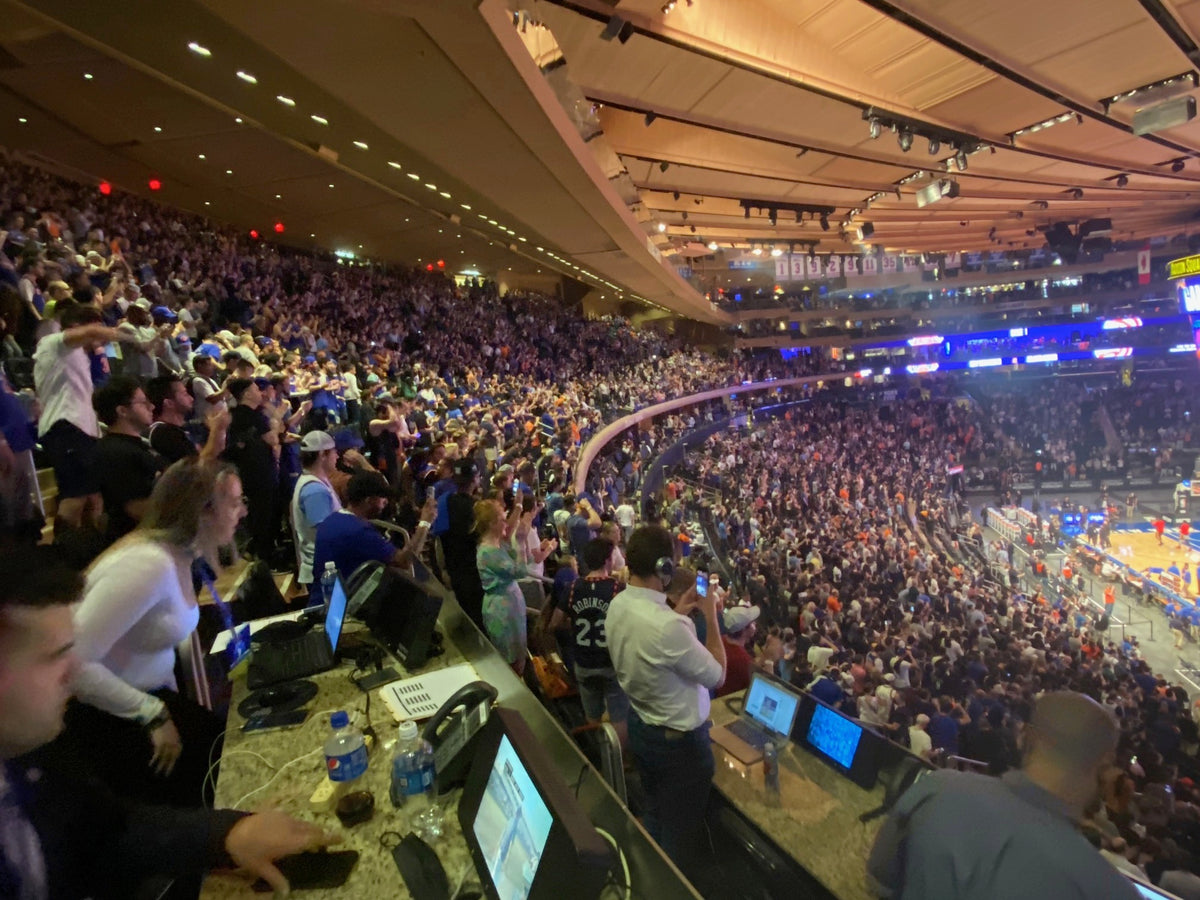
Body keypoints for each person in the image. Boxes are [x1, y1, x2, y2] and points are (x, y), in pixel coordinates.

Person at [0, 546, 338, 897]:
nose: (73, 672)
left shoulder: (35, 755)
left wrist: (226, 835)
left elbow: (109, 831)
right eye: (54, 657)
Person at [29, 459, 246, 809]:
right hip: (113, 720)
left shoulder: (181, 554)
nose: (242, 512)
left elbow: (154, 648)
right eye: (234, 502)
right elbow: (72, 663)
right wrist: (152, 713)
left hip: (148, 701)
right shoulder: (147, 565)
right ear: (202, 510)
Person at [867, 691, 1140, 900]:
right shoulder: (1110, 889)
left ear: (1023, 738)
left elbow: (878, 882)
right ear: (1106, 767)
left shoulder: (936, 787)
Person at [605, 525, 726, 873]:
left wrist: (680, 611)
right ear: (665, 569)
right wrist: (710, 616)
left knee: (656, 813)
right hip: (680, 750)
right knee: (679, 833)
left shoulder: (619, 604)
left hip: (643, 728)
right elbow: (717, 672)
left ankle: (648, 872)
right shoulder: (669, 628)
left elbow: (655, 645)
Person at [33, 305, 142, 535]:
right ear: (74, 327)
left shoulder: (79, 356)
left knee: (94, 497)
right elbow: (89, 334)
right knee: (76, 497)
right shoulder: (53, 344)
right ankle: (65, 552)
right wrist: (129, 338)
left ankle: (88, 548)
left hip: (82, 430)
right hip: (65, 427)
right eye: (96, 327)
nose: (101, 336)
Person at [312, 470, 433, 591]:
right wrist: (425, 523)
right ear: (368, 500)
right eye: (382, 497)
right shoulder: (358, 531)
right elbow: (405, 561)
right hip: (342, 605)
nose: (385, 502)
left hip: (326, 601)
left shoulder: (332, 520)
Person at [475, 498, 552, 676]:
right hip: (502, 610)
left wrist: (533, 546)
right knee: (511, 660)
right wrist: (521, 538)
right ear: (492, 523)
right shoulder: (488, 552)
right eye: (503, 519)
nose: (506, 523)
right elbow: (519, 571)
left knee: (519, 655)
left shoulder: (498, 545)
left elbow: (524, 559)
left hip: (511, 605)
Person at [564, 538, 628, 746]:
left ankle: (598, 756)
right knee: (619, 717)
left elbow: (555, 622)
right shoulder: (618, 588)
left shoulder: (573, 587)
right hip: (610, 663)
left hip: (584, 662)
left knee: (592, 716)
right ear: (608, 560)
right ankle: (621, 763)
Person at [91, 376, 165, 547]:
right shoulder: (115, 453)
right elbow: (136, 508)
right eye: (143, 402)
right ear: (122, 411)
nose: (151, 406)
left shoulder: (135, 446)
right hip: (140, 545)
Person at [222, 378, 279, 561]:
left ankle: (258, 553)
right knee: (263, 516)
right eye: (256, 389)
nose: (260, 393)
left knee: (259, 515)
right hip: (259, 473)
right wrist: (275, 423)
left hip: (248, 473)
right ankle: (264, 558)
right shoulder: (253, 415)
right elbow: (273, 439)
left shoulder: (234, 415)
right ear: (246, 394)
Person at [291, 430, 342, 594]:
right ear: (322, 455)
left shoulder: (316, 482)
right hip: (322, 574)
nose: (337, 456)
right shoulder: (314, 491)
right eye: (334, 452)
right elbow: (325, 535)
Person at [715, 604, 760, 698]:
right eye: (752, 622)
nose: (755, 624)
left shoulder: (720, 640)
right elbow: (754, 690)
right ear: (744, 630)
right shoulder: (742, 659)